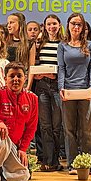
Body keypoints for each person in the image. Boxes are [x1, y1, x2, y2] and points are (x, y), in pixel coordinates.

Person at [58, 13, 91, 175]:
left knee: (87, 129)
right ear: (68, 25)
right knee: (69, 130)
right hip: (68, 91)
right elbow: (61, 68)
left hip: (85, 91)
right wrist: (61, 87)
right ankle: (73, 164)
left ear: (83, 27)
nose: (76, 27)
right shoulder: (62, 46)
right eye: (73, 23)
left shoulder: (90, 45)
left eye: (79, 24)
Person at [33, 14, 64, 172]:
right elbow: (34, 63)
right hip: (42, 86)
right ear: (44, 27)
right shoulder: (40, 43)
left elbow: (65, 66)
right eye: (49, 24)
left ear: (59, 25)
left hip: (57, 86)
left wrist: (56, 76)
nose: (51, 27)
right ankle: (48, 160)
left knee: (57, 126)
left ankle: (55, 159)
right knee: (45, 125)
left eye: (54, 24)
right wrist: (36, 75)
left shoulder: (64, 43)